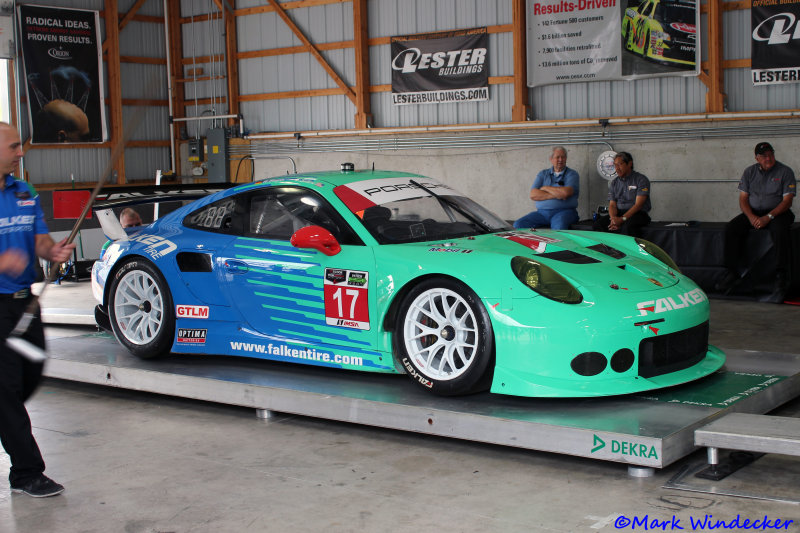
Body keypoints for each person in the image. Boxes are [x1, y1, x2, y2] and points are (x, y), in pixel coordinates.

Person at [0, 122, 75, 497]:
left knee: (31, 371)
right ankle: (27, 472)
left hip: (24, 303)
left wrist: (52, 251)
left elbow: (40, 239)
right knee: (7, 389)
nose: (21, 153)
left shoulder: (24, 191)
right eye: (14, 147)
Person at [715, 142, 796, 293]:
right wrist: (751, 216)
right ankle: (732, 273)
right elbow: (743, 199)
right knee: (731, 229)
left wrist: (769, 217)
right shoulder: (749, 172)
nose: (768, 158)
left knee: (780, 231)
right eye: (764, 156)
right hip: (754, 212)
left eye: (771, 154)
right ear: (757, 158)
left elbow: (787, 201)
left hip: (778, 212)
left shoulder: (785, 172)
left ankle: (781, 275)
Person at [514, 146, 580, 230]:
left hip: (565, 212)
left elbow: (565, 193)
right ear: (551, 159)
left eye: (563, 157)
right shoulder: (543, 174)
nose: (560, 159)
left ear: (566, 158)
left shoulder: (572, 174)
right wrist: (558, 194)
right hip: (542, 214)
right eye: (557, 157)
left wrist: (545, 188)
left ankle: (557, 244)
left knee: (559, 225)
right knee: (519, 224)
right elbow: (533, 194)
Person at [592, 151, 651, 237]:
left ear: (629, 164)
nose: (617, 168)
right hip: (619, 213)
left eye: (620, 164)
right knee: (598, 225)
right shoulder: (614, 182)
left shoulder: (641, 179)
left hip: (637, 214)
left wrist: (622, 219)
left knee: (628, 227)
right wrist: (613, 219)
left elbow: (638, 205)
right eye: (615, 165)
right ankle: (607, 250)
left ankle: (629, 250)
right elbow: (612, 205)